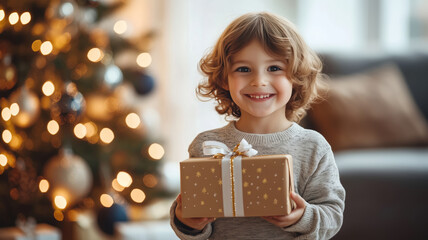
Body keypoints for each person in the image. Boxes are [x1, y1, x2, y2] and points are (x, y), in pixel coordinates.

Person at [170, 12, 345, 239]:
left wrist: (302, 217)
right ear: (224, 78)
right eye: (243, 69)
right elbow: (194, 228)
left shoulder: (313, 146)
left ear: (296, 76)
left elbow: (332, 217)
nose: (259, 81)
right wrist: (187, 221)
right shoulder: (207, 146)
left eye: (274, 68)